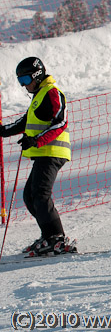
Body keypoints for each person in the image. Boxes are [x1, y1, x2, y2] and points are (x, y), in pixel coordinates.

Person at [0, 57, 72, 256]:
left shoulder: (52, 93)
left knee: (40, 194)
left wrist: (36, 140)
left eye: (24, 80)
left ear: (37, 75)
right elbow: (25, 122)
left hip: (53, 152)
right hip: (43, 153)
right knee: (30, 196)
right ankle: (49, 236)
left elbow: (60, 122)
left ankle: (57, 238)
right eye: (20, 82)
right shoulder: (39, 95)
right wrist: (3, 130)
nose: (24, 86)